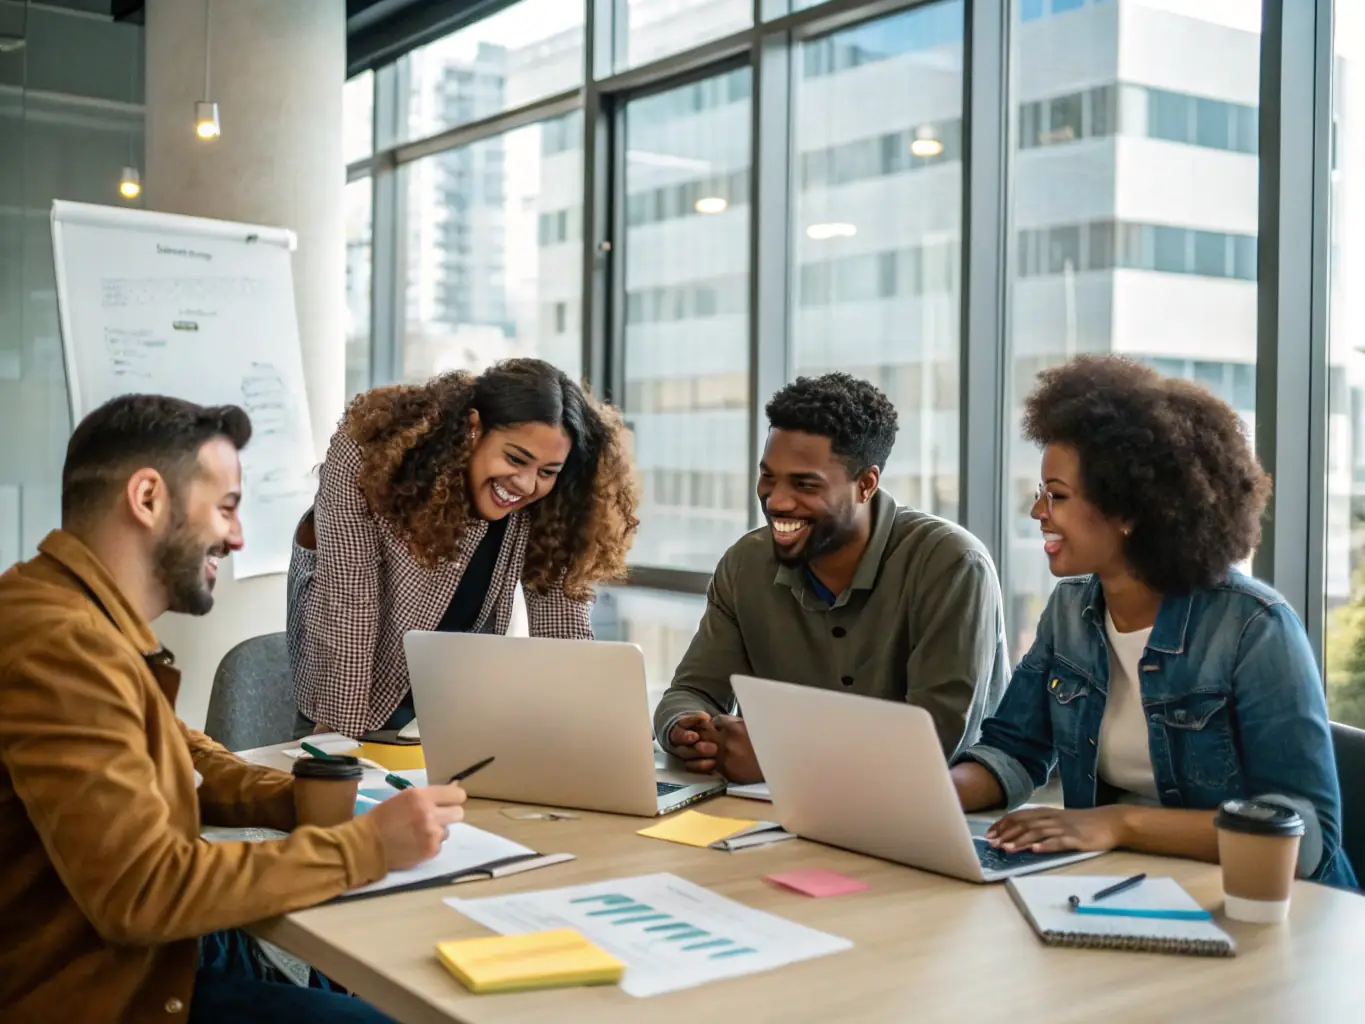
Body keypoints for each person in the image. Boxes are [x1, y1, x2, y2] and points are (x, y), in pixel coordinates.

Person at [0, 395, 469, 1022]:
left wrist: (297, 798)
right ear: (146, 499)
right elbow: (144, 890)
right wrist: (366, 849)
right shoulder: (60, 646)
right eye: (225, 508)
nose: (238, 536)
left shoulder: (70, 616)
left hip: (160, 954)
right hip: (111, 986)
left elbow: (180, 753)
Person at [951, 356, 1356, 887]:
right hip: (1126, 888)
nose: (1038, 512)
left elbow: (1302, 835)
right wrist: (920, 795)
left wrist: (1120, 824)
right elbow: (1012, 751)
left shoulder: (1254, 628)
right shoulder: (1071, 610)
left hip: (1272, 909)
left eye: (1058, 495)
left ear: (1129, 511)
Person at [654, 373, 1010, 783]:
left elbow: (932, 742)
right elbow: (689, 692)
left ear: (866, 484)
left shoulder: (951, 565)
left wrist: (781, 756)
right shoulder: (744, 564)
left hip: (928, 819)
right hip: (776, 813)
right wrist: (686, 728)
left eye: (805, 484)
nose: (776, 500)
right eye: (769, 476)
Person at [288, 358, 638, 739]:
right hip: (350, 695)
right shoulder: (366, 451)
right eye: (515, 458)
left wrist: (588, 738)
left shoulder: (551, 499)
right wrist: (338, 742)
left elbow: (563, 627)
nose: (525, 484)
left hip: (447, 716)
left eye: (547, 472)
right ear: (474, 428)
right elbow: (349, 601)